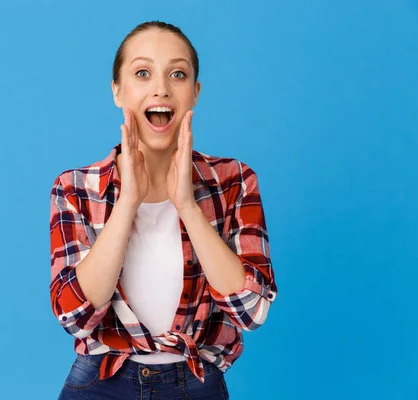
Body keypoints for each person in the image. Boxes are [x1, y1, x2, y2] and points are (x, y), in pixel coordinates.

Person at [49, 21, 278, 400]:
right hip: (99, 383)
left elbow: (250, 311)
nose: (161, 88)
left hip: (195, 383)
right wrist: (127, 204)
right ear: (117, 92)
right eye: (142, 73)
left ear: (195, 93)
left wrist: (187, 204)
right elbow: (75, 317)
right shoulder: (74, 188)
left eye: (178, 74)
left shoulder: (234, 180)